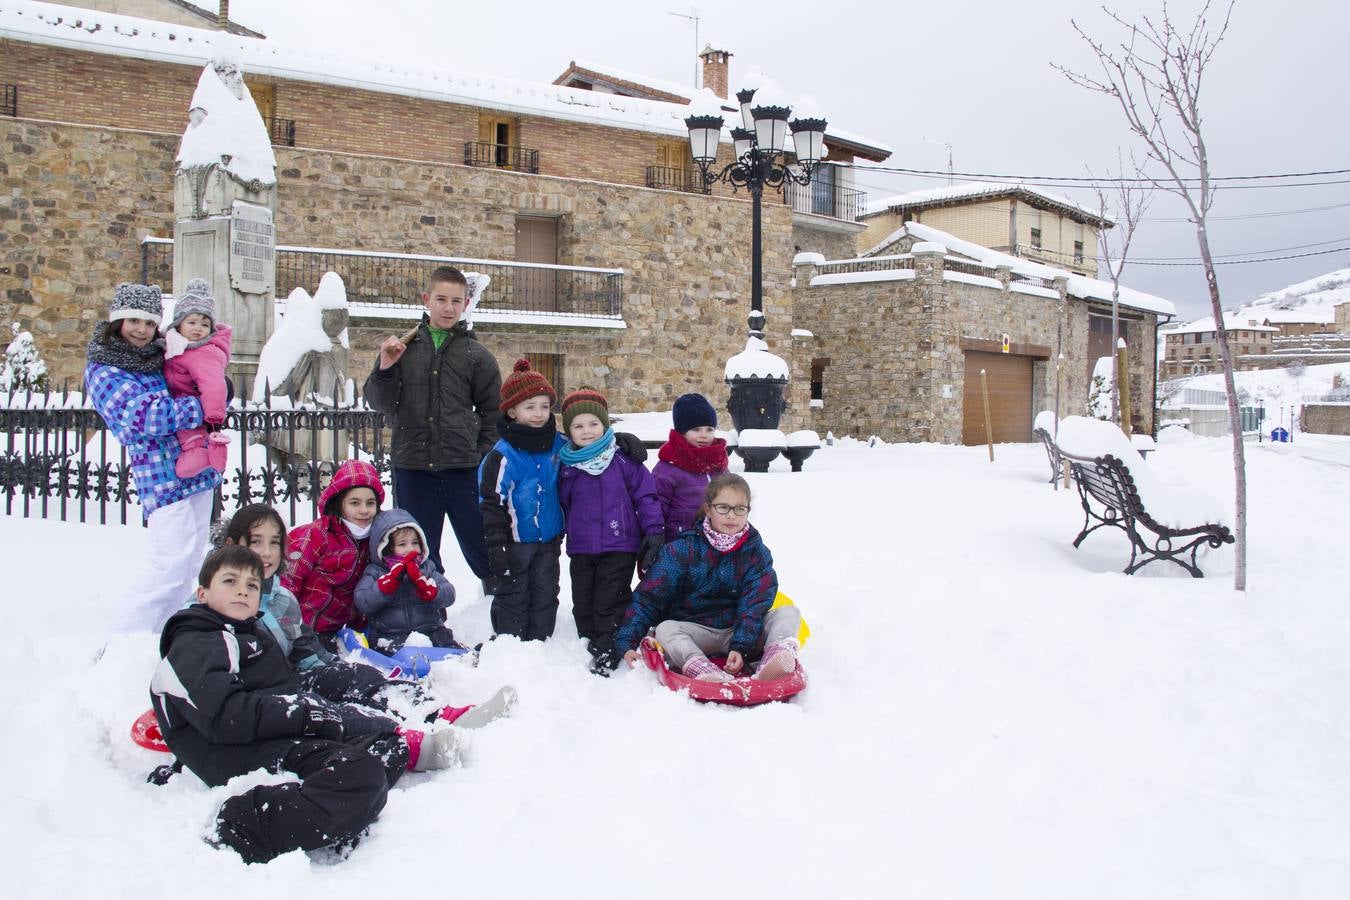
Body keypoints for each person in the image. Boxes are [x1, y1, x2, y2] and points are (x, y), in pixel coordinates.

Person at [151, 545, 464, 865]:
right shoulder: (199, 640)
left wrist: (313, 711)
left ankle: (335, 813)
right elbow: (224, 717)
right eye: (230, 581)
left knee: (382, 739)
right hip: (231, 751)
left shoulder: (246, 632)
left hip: (265, 735)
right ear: (202, 593)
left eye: (252, 585)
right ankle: (242, 825)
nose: (242, 591)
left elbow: (277, 688)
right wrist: (305, 715)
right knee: (359, 775)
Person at [218, 503, 513, 728]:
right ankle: (410, 736)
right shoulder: (215, 602)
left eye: (274, 543)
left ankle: (436, 713)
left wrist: (337, 669)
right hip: (267, 701)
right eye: (256, 542)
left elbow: (305, 648)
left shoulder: (281, 598)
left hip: (298, 680)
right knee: (345, 718)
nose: (267, 553)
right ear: (232, 545)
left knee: (361, 680)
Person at [85, 282, 221, 632]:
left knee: (191, 561)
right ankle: (126, 638)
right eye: (133, 321)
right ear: (118, 321)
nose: (142, 330)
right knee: (169, 562)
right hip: (159, 474)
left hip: (195, 467)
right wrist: (206, 406)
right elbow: (147, 416)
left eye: (148, 323)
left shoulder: (158, 357)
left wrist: (215, 388)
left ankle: (164, 631)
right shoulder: (104, 369)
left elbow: (195, 375)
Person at [363, 266, 500, 582]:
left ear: (466, 304)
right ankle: (426, 621)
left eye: (456, 300)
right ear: (427, 299)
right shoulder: (402, 349)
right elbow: (379, 403)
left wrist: (480, 456)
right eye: (441, 299)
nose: (448, 307)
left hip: (463, 469)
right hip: (414, 468)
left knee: (485, 549)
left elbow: (494, 413)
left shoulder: (477, 356)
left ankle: (500, 616)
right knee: (416, 552)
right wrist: (385, 367)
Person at [616, 473, 800, 682]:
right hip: (695, 632)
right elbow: (648, 599)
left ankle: (776, 659)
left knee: (788, 613)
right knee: (666, 629)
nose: (732, 516)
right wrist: (627, 643)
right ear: (708, 509)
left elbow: (754, 604)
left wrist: (741, 646)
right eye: (723, 507)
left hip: (736, 629)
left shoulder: (756, 553)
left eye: (740, 509)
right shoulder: (682, 550)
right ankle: (701, 668)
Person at [558, 388, 664, 676]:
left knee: (609, 599)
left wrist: (654, 531)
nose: (587, 431)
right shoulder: (566, 465)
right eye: (578, 426)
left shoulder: (623, 459)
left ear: (605, 426)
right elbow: (562, 504)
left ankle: (609, 646)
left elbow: (646, 496)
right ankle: (588, 639)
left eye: (593, 424)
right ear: (569, 432)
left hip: (619, 544)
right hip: (581, 546)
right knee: (583, 600)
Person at [478, 359, 566, 641]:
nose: (539, 414)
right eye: (530, 407)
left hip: (549, 540)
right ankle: (509, 644)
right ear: (513, 411)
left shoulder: (559, 444)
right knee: (514, 594)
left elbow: (588, 449)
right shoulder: (503, 455)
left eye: (544, 406)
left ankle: (540, 644)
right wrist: (496, 547)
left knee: (545, 592)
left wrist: (621, 441)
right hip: (514, 543)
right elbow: (492, 504)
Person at [282, 459, 384, 650]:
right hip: (308, 627)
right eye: (355, 503)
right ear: (340, 504)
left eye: (370, 503)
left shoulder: (377, 539)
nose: (364, 510)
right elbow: (288, 581)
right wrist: (289, 628)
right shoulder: (318, 534)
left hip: (348, 631)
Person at [355, 509, 459, 653]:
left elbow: (449, 594)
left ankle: (458, 659)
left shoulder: (426, 567)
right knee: (395, 652)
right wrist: (382, 589)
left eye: (415, 542)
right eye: (402, 544)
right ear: (386, 548)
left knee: (447, 646)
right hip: (390, 632)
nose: (410, 548)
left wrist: (433, 593)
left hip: (430, 628)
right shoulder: (376, 571)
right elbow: (362, 601)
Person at [161, 278, 233, 479]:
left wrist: (214, 419)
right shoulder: (177, 346)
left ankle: (207, 455)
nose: (198, 328)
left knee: (191, 442)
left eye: (204, 324)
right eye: (191, 322)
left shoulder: (204, 353)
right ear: (178, 324)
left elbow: (214, 386)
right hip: (181, 403)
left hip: (197, 409)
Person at [653, 393, 729, 542]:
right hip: (680, 544)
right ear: (682, 432)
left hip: (717, 542)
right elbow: (656, 509)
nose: (704, 435)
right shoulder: (668, 468)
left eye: (709, 429)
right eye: (696, 429)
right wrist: (656, 541)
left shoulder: (719, 463)